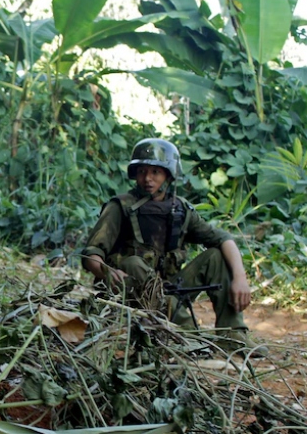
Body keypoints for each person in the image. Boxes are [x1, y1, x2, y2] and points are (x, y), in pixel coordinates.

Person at [81, 138, 267, 357]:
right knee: (133, 263)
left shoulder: (180, 210)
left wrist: (240, 278)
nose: (147, 179)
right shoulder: (120, 207)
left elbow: (223, 239)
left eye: (155, 172)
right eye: (142, 171)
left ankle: (232, 335)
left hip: (170, 288)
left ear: (168, 175)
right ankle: (186, 336)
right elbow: (91, 253)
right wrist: (107, 272)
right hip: (131, 295)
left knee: (216, 256)